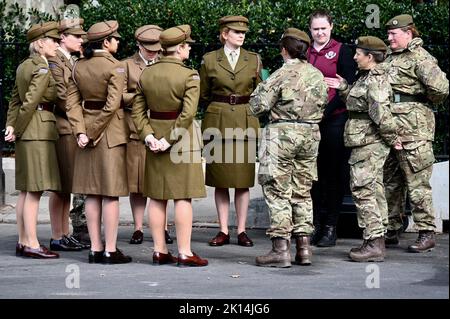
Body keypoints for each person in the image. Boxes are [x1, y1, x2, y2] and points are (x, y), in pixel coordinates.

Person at [249, 28, 328, 267]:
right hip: (310, 134)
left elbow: (257, 106)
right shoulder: (317, 75)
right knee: (302, 190)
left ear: (284, 49)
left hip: (282, 135)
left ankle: (280, 249)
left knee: (277, 189)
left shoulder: (280, 75)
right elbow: (324, 103)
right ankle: (304, 248)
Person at [132, 24, 208, 267]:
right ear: (181, 48)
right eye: (188, 46)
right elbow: (186, 115)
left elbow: (137, 111)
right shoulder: (190, 75)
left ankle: (159, 250)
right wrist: (168, 140)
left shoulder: (147, 73)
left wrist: (149, 136)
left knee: (156, 197)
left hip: (153, 139)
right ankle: (184, 252)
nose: (189, 50)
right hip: (181, 142)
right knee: (182, 197)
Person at [66, 20, 132, 264]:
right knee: (111, 194)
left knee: (92, 193)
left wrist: (81, 132)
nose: (118, 42)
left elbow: (71, 103)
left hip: (85, 135)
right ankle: (110, 250)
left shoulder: (78, 66)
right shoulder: (116, 67)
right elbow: (112, 105)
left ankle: (94, 248)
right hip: (108, 135)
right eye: (116, 39)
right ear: (106, 41)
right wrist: (92, 133)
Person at [383, 14, 449, 252]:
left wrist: (419, 100)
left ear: (408, 33)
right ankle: (391, 229)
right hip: (390, 129)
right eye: (388, 34)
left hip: (414, 131)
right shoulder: (390, 57)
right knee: (391, 182)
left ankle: (426, 231)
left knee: (417, 183)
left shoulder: (420, 57)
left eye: (393, 34)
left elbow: (441, 88)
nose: (389, 37)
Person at [330, 36, 399, 261]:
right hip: (364, 141)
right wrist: (343, 88)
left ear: (370, 57)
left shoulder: (375, 80)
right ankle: (376, 239)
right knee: (373, 188)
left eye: (358, 53)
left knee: (363, 189)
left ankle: (373, 243)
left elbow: (381, 113)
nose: (354, 57)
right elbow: (356, 102)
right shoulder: (365, 77)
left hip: (369, 142)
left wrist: (392, 138)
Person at [200, 15, 262, 247]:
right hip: (219, 121)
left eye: (244, 32)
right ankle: (223, 230)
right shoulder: (209, 60)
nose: (242, 35)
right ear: (225, 34)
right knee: (221, 179)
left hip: (245, 123)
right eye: (237, 31)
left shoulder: (254, 59)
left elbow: (258, 93)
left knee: (243, 180)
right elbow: (204, 94)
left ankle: (242, 230)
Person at [4, 21, 61, 259]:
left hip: (27, 130)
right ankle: (32, 243)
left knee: (27, 190)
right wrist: (15, 128)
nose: (56, 45)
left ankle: (22, 240)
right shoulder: (42, 67)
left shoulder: (22, 66)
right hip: (36, 130)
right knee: (35, 191)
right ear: (39, 44)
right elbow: (28, 102)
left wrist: (10, 125)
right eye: (53, 41)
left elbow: (14, 101)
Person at [307, 9, 357, 247]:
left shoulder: (342, 50)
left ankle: (330, 226)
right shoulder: (304, 52)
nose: (319, 33)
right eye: (316, 29)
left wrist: (325, 112)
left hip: (334, 120)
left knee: (334, 174)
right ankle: (315, 224)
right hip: (308, 123)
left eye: (323, 29)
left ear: (331, 28)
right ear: (310, 30)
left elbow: (346, 87)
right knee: (313, 175)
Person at [122, 24, 173, 245]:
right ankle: (138, 228)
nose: (153, 51)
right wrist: (142, 97)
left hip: (162, 129)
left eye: (156, 47)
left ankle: (163, 227)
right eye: (148, 47)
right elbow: (118, 95)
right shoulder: (126, 65)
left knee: (162, 181)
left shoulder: (166, 63)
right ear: (138, 44)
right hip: (135, 129)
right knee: (138, 182)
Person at [47, 18, 89, 252]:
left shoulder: (70, 60)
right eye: (77, 36)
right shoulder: (55, 61)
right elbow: (62, 97)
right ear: (63, 37)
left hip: (70, 126)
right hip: (64, 127)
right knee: (60, 186)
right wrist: (81, 118)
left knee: (66, 186)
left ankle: (63, 234)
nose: (81, 40)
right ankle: (57, 235)